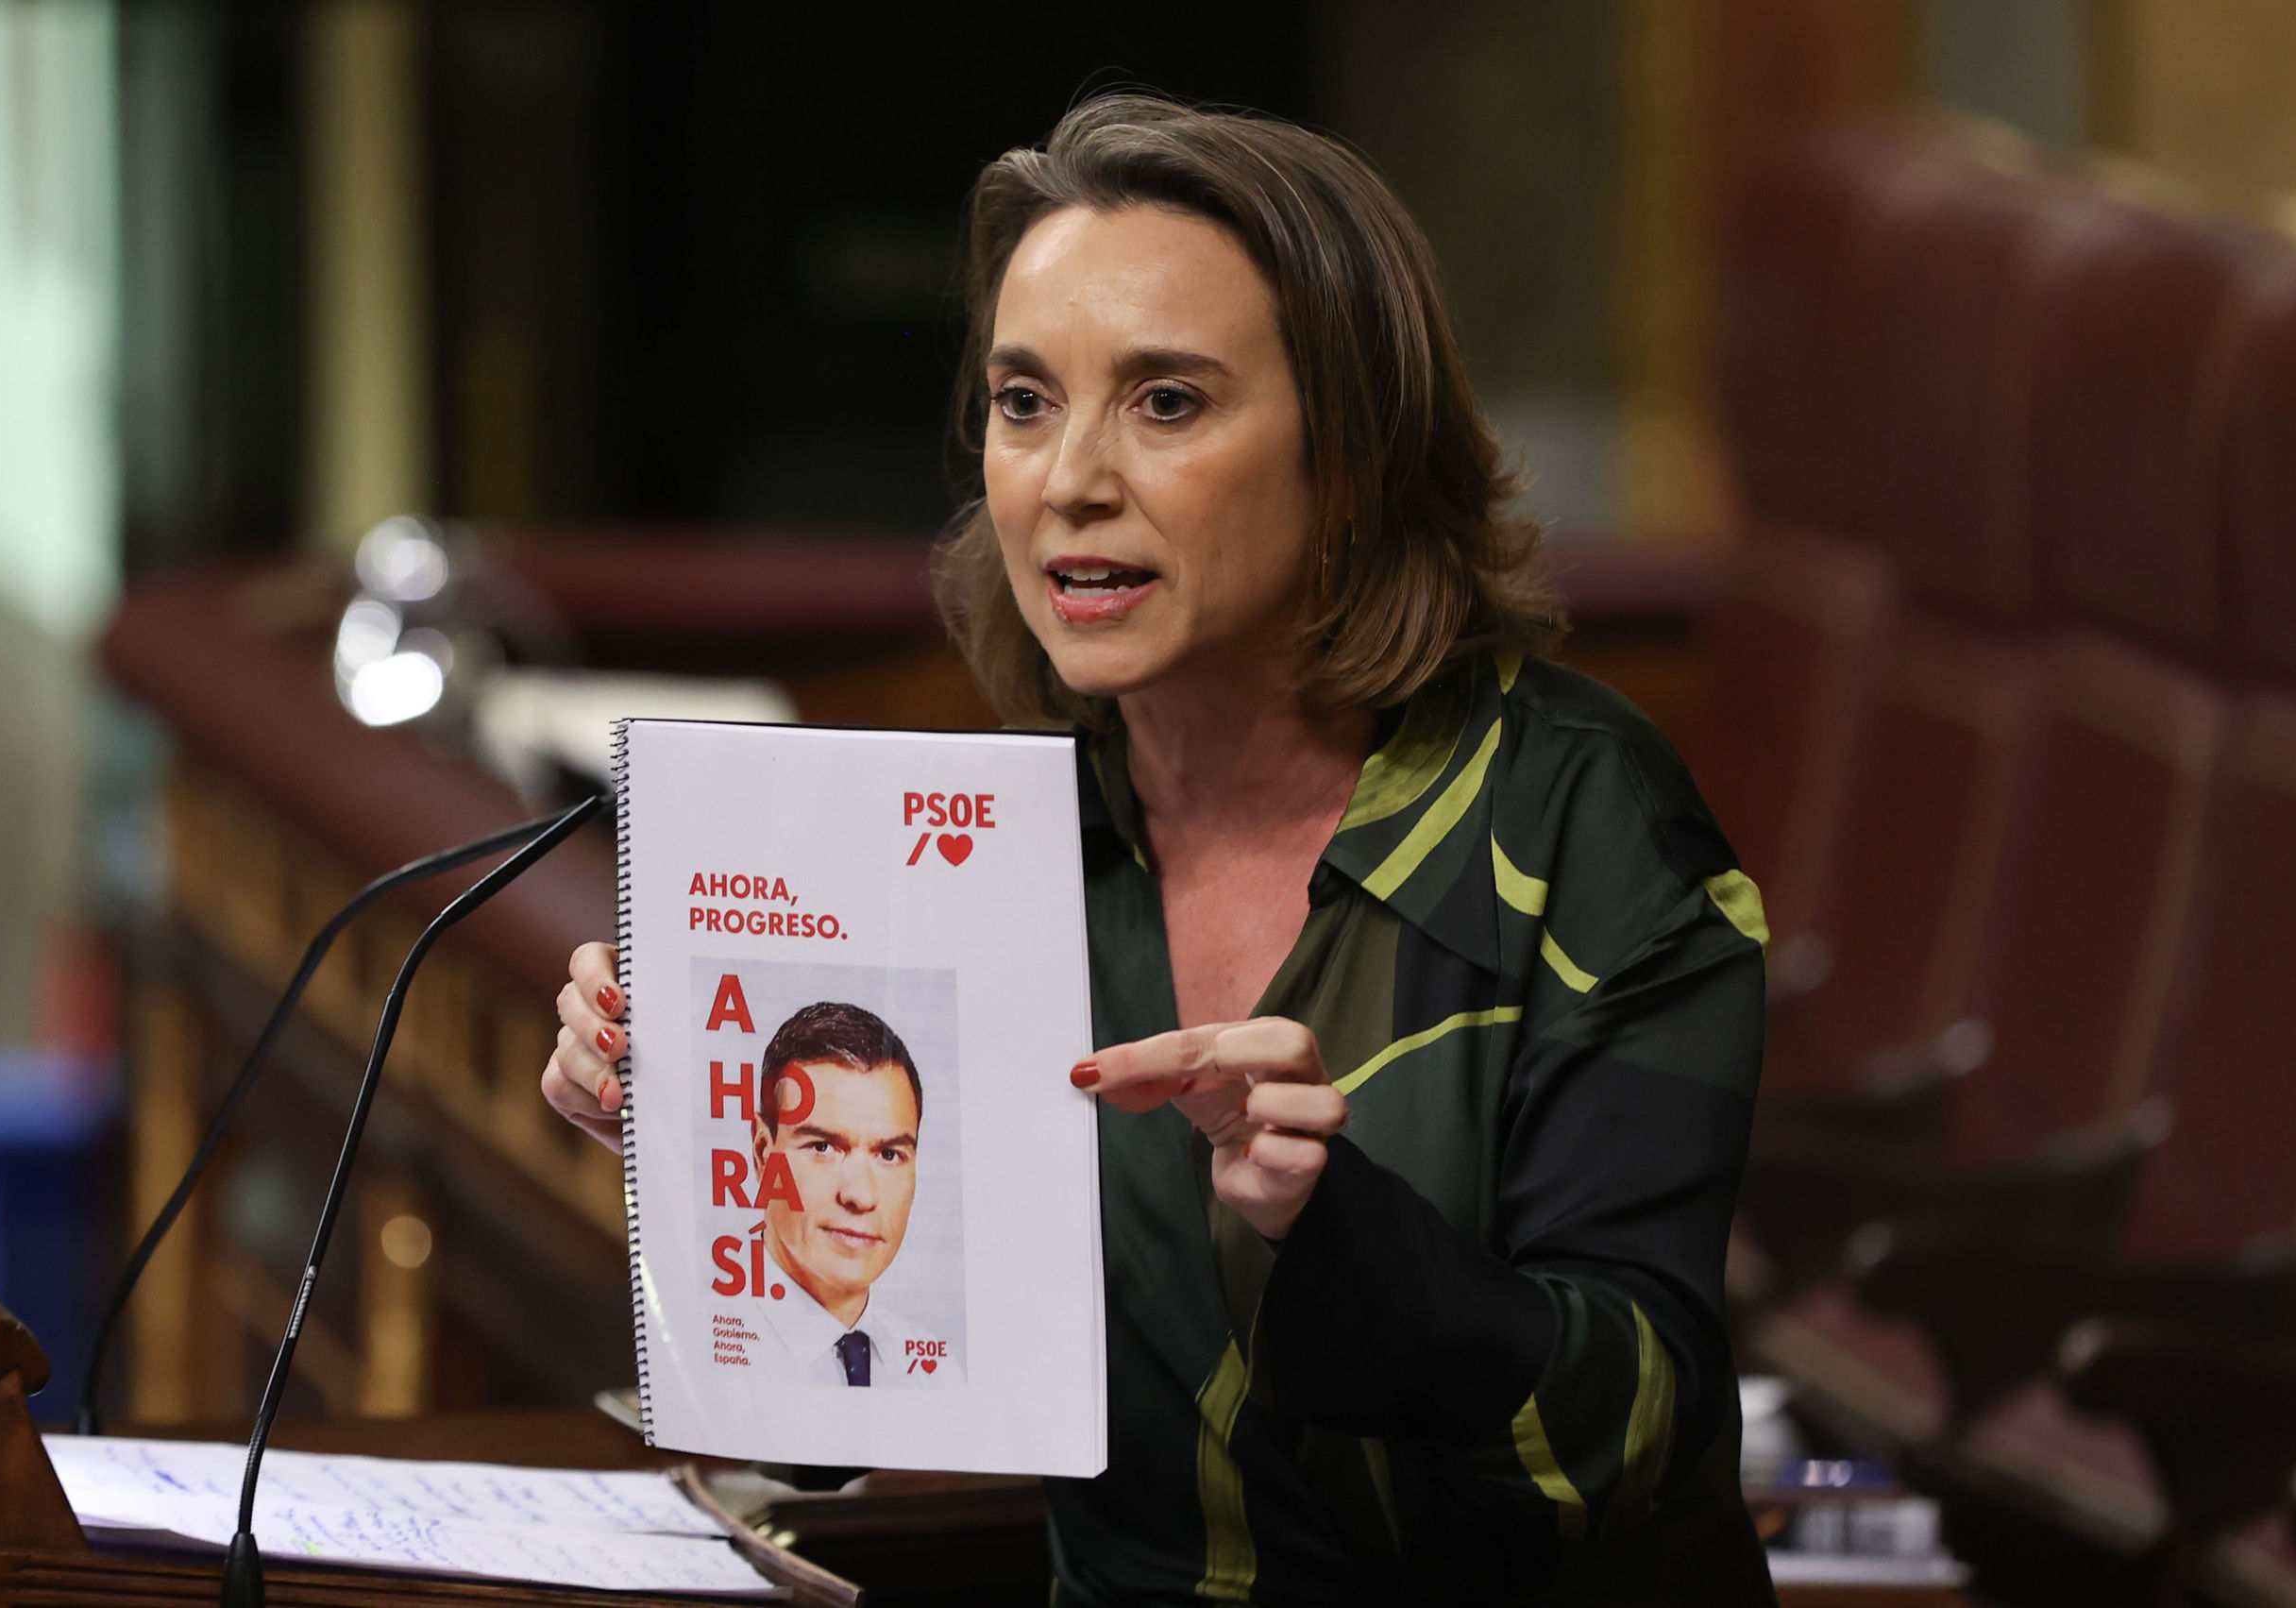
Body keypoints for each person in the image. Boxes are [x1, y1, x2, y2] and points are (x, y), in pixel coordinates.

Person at [548, 93, 1773, 1605]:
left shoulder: (1573, 817)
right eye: (1023, 401)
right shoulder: (997, 850)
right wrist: (706, 1162)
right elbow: (859, 1403)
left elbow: (1628, 1437)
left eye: (1168, 401)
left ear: (1353, 450)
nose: (1069, 478)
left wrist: (1337, 1228)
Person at [736, 1001, 963, 1389]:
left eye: (889, 1154)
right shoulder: (699, 1347)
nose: (859, 1195)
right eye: (822, 1147)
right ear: (762, 1152)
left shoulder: (938, 1376)